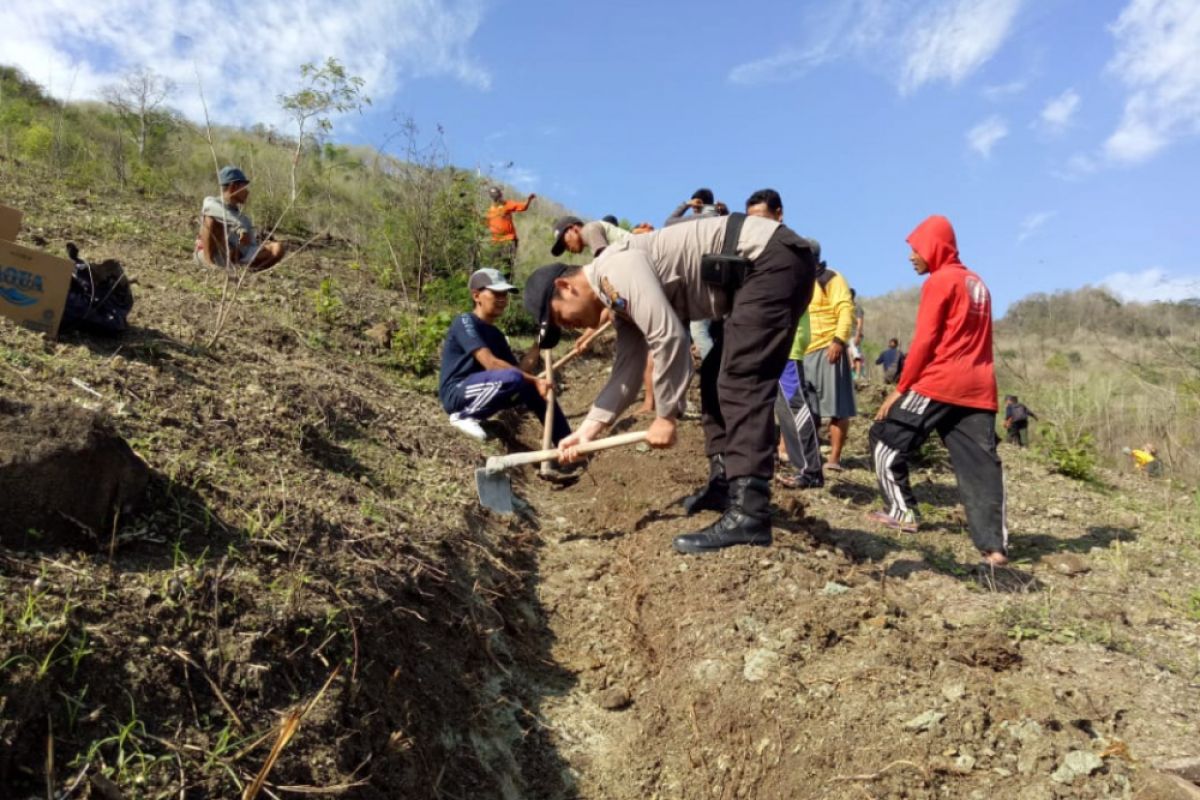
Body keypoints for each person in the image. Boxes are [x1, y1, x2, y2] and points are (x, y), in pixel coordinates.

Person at [523, 212, 816, 554]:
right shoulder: (616, 298)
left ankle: (750, 513)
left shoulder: (611, 272)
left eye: (560, 317)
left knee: (740, 380)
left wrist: (666, 415)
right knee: (714, 376)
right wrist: (587, 431)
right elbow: (627, 370)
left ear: (566, 286)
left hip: (770, 260)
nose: (569, 327)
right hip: (764, 268)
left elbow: (668, 336)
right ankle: (724, 485)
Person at [868, 215, 1009, 568]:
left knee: (885, 441)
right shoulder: (977, 283)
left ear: (934, 247)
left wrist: (901, 389)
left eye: (915, 249)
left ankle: (903, 512)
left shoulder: (939, 281)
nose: (911, 256)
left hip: (941, 381)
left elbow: (926, 341)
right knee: (981, 467)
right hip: (980, 388)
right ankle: (994, 548)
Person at [744, 188, 822, 489]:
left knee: (794, 405)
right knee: (781, 407)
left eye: (763, 218)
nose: (758, 227)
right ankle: (801, 467)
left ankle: (811, 470)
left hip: (788, 342)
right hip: (768, 341)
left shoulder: (792, 249)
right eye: (752, 221)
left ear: (779, 215)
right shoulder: (757, 249)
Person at [438, 268, 568, 444]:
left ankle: (567, 443)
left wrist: (538, 344)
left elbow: (518, 372)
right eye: (496, 294)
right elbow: (490, 363)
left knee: (532, 389)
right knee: (523, 380)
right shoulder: (465, 321)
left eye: (504, 295)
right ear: (476, 296)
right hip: (457, 392)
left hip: (482, 388)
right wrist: (535, 379)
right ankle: (463, 416)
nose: (502, 300)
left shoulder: (496, 335)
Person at [803, 241, 856, 472]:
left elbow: (845, 309)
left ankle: (834, 459)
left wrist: (838, 340)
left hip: (828, 348)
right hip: (803, 351)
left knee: (836, 408)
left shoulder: (831, 278)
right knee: (807, 408)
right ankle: (808, 456)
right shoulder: (798, 280)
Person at [195, 166, 286, 271]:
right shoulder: (211, 202)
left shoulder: (244, 219)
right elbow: (211, 209)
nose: (247, 192)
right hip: (208, 256)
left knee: (277, 248)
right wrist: (239, 227)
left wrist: (252, 247)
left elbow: (249, 247)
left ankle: (245, 270)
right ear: (233, 187)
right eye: (244, 187)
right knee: (211, 218)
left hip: (231, 259)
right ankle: (209, 263)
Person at [486, 186, 535, 269]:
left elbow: (523, 207)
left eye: (498, 196)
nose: (497, 198)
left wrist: (528, 200)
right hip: (495, 242)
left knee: (507, 266)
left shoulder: (507, 204)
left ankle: (508, 281)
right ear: (492, 198)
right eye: (495, 196)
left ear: (501, 195)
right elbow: (486, 225)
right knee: (494, 267)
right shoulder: (489, 211)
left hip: (508, 240)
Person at [550, 215, 629, 258]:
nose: (568, 249)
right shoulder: (592, 234)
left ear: (573, 229)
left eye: (565, 243)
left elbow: (605, 262)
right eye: (565, 248)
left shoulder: (589, 229)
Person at [850, 289, 866, 380]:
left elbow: (860, 323)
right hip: (846, 335)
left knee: (856, 355)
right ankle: (852, 375)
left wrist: (858, 335)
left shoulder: (857, 308)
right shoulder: (846, 308)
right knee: (850, 356)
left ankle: (858, 376)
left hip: (854, 335)